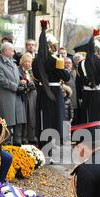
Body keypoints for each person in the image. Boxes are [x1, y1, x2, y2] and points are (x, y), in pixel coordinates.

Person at [32, 20, 70, 157]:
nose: (55, 47)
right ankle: (52, 146)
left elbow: (36, 77)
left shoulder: (36, 60)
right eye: (54, 45)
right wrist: (62, 66)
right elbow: (66, 77)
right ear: (49, 46)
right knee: (55, 119)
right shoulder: (56, 60)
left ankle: (43, 144)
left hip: (42, 91)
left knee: (44, 119)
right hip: (54, 92)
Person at [0, 41, 27, 146]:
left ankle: (18, 145)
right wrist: (16, 87)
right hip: (7, 97)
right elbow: (1, 80)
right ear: (5, 51)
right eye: (12, 50)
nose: (13, 52)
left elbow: (15, 79)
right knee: (7, 122)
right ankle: (6, 146)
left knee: (19, 121)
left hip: (17, 96)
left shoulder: (13, 63)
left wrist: (21, 83)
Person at [75, 29, 100, 123]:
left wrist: (80, 97)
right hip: (98, 93)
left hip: (86, 94)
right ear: (97, 50)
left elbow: (78, 82)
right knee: (97, 117)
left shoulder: (81, 63)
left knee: (86, 117)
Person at [19, 53, 38, 144]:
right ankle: (24, 137)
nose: (27, 64)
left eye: (29, 62)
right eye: (25, 62)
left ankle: (32, 136)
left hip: (33, 96)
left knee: (32, 116)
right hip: (23, 95)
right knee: (24, 116)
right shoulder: (19, 71)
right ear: (22, 62)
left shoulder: (34, 71)